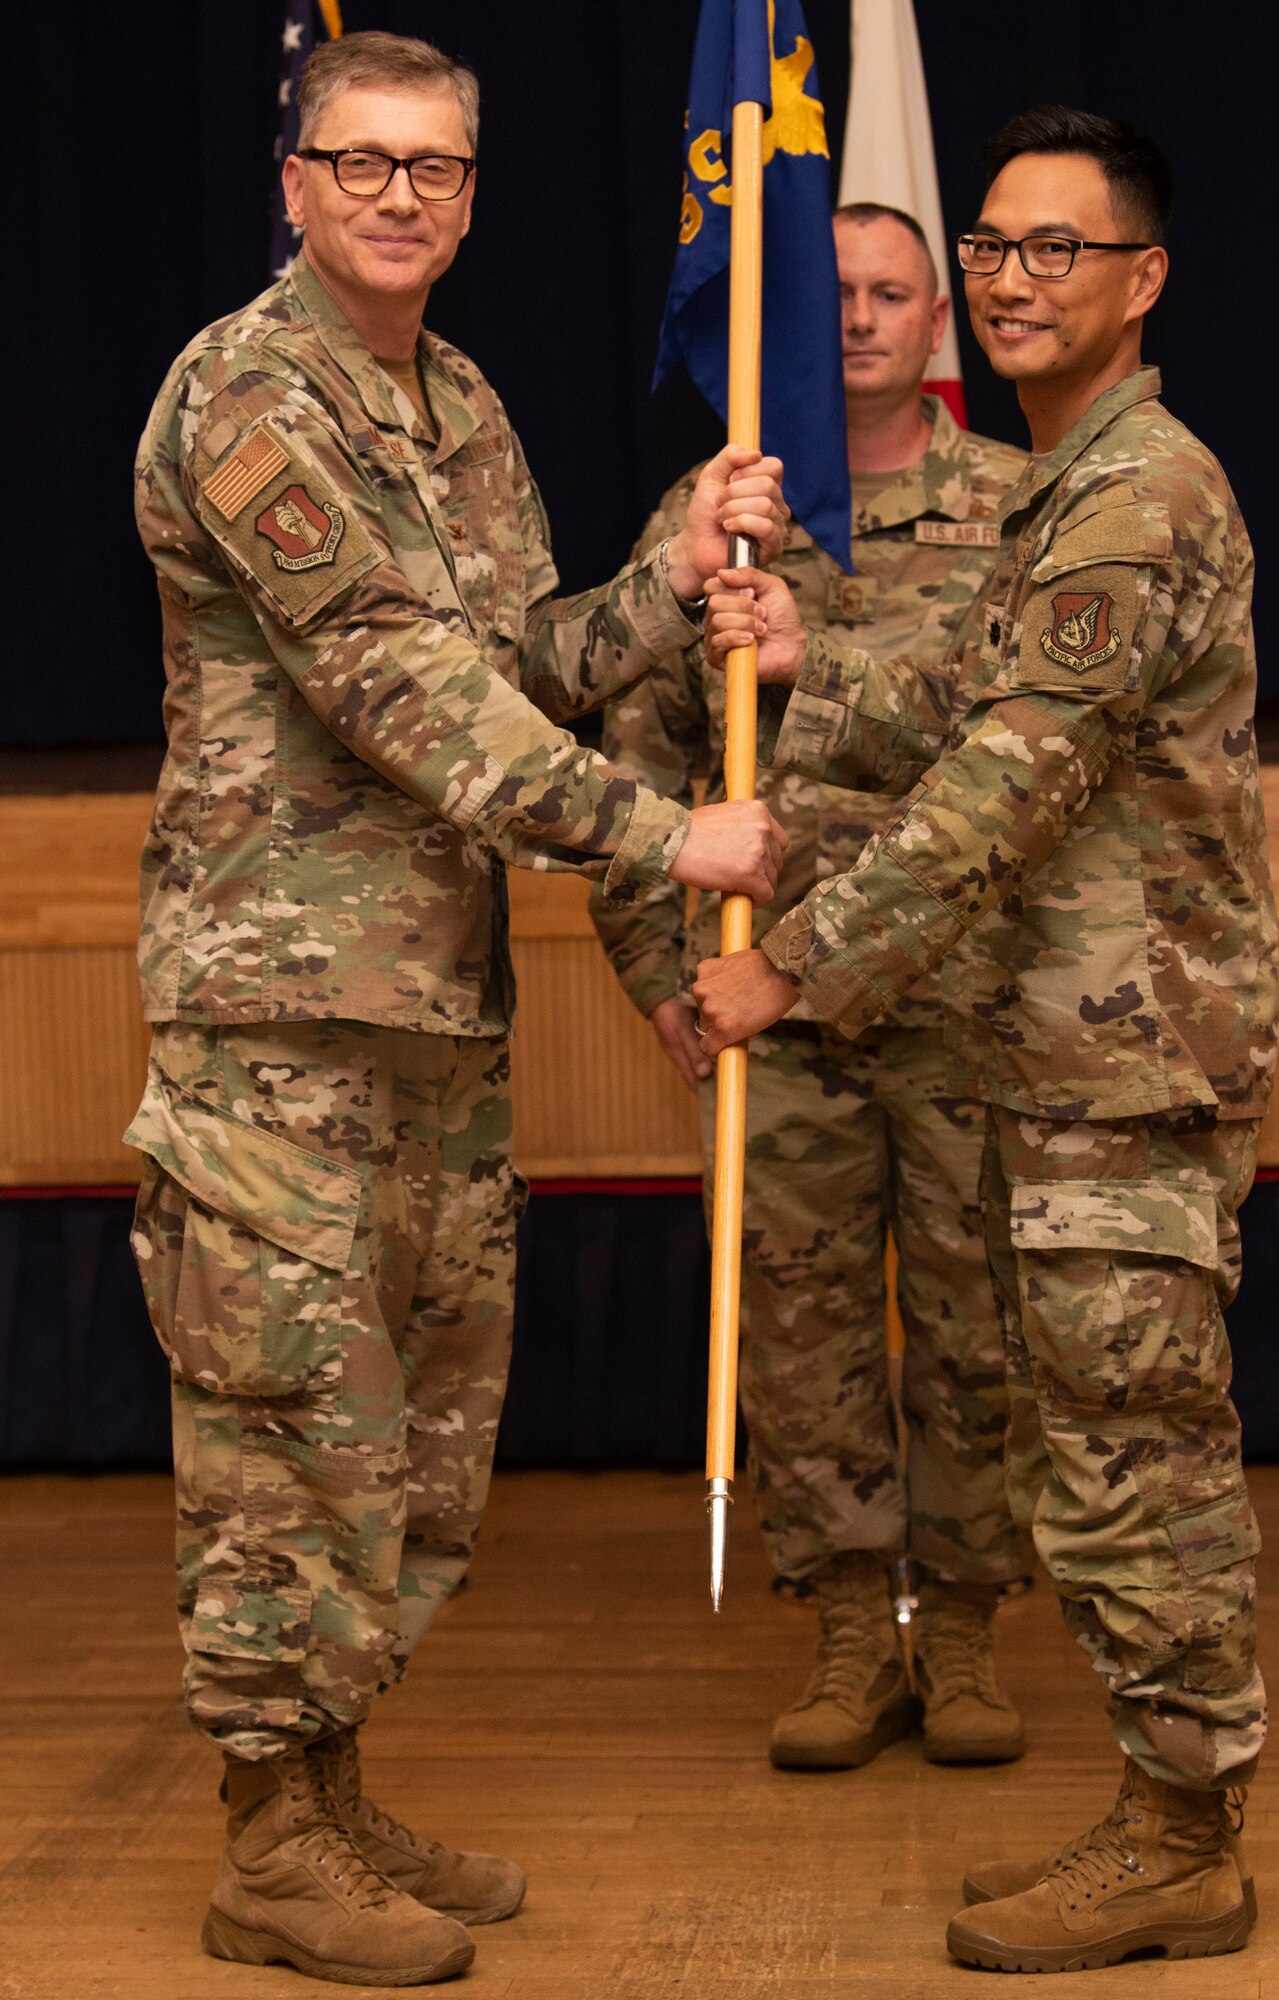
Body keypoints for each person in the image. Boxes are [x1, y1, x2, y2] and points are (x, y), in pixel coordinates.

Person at [125, 30, 788, 1989]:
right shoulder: (249, 395)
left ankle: (330, 1794)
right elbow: (407, 701)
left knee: (407, 1455)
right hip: (280, 1025)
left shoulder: (463, 404)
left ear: (474, 193)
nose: (399, 194)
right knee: (285, 1441)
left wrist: (668, 586)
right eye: (361, 161)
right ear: (295, 180)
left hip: (430, 1015)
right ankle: (266, 1844)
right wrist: (677, 841)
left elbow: (519, 663)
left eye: (434, 167)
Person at [697, 106, 1278, 1973]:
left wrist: (795, 972)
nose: (1018, 282)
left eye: (1062, 250)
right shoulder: (1059, 488)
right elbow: (977, 685)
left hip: (1125, 1062)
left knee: (1138, 1464)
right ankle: (1160, 1817)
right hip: (1066, 1060)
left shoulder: (1134, 488)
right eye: (1000, 251)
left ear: (1144, 278)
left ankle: (1185, 1838)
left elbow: (1010, 779)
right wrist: (822, 663)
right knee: (1101, 1456)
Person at [592, 204, 1031, 1773]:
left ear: (937, 326)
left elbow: (1034, 741)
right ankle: (854, 1631)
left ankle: (965, 1633)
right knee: (801, 1325)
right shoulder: (721, 513)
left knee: (984, 1323)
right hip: (759, 1013)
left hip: (974, 993)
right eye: (827, 292)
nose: (855, 318)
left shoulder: (1018, 504)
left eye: (889, 293)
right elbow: (632, 761)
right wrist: (657, 970)